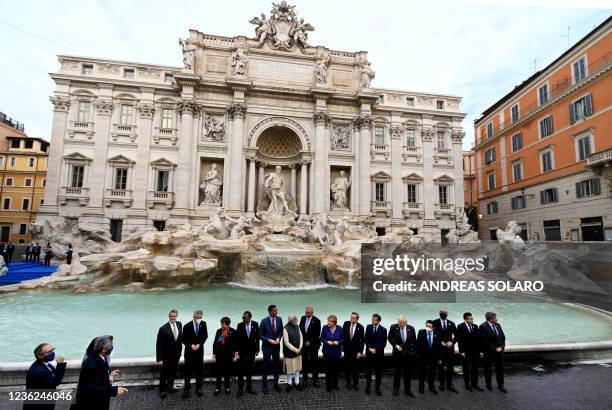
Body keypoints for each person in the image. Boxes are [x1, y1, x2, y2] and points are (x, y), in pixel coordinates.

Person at [74, 335, 127, 409]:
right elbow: (91, 389)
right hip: (91, 404)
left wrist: (110, 375)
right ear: (104, 349)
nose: (112, 348)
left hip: (100, 401)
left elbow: (99, 376)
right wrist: (115, 390)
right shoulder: (91, 365)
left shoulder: (101, 357)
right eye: (111, 346)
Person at [24, 343, 67, 410]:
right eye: (49, 352)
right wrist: (60, 364)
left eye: (52, 350)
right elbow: (55, 382)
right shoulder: (39, 371)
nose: (52, 353)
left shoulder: (45, 364)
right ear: (40, 356)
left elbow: (54, 376)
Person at [388, 315, 417, 397]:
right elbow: (389, 338)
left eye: (402, 323)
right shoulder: (393, 327)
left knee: (408, 373)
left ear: (406, 323)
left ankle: (407, 390)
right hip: (398, 354)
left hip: (408, 355)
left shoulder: (411, 328)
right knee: (397, 372)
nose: (400, 325)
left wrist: (413, 352)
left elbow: (414, 341)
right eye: (399, 322)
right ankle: (396, 389)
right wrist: (395, 345)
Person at [156, 309, 182, 399]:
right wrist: (159, 359)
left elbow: (179, 339)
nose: (173, 317)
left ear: (176, 316)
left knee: (173, 372)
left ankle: (170, 387)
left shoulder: (179, 324)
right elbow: (158, 345)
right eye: (171, 316)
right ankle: (162, 391)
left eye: (174, 316)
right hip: (166, 357)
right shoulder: (163, 328)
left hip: (176, 355)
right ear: (169, 317)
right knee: (164, 374)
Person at [181, 310, 208, 398]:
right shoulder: (187, 326)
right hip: (189, 352)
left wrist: (200, 344)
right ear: (194, 317)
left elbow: (205, 336)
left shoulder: (203, 324)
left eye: (201, 318)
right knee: (187, 371)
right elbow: (183, 339)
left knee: (199, 371)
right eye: (198, 318)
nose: (199, 319)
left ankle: (199, 388)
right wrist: (190, 345)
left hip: (199, 352)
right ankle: (186, 389)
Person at [480, 311, 506, 393]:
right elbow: (484, 341)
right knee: (488, 369)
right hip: (489, 352)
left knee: (500, 369)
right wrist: (494, 348)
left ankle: (501, 385)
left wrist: (502, 347)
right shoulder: (483, 327)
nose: (496, 319)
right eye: (495, 318)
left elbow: (503, 337)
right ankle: (489, 384)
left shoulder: (498, 325)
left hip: (499, 351)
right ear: (490, 319)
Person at [456, 312, 483, 391]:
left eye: (472, 319)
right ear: (465, 319)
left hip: (475, 351)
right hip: (466, 352)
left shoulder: (475, 326)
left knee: (475, 368)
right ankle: (467, 384)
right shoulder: (460, 326)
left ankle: (475, 384)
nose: (472, 320)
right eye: (470, 319)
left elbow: (478, 340)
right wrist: (461, 351)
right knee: (466, 368)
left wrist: (480, 351)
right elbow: (459, 339)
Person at [433, 309, 458, 393]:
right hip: (439, 349)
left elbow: (457, 335)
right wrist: (440, 342)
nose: (443, 314)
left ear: (447, 314)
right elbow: (431, 334)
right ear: (439, 313)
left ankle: (450, 384)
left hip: (450, 348)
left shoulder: (452, 323)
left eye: (444, 313)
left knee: (450, 367)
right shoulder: (434, 322)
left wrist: (452, 342)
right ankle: (442, 383)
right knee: (440, 367)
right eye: (441, 312)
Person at [212, 317, 239, 395]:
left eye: (223, 324)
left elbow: (235, 344)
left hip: (228, 355)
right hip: (219, 355)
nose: (222, 326)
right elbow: (215, 343)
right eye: (221, 324)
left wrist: (235, 354)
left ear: (228, 324)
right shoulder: (219, 331)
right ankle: (218, 388)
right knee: (218, 373)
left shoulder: (233, 332)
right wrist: (214, 353)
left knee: (227, 372)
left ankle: (227, 387)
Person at [260, 304, 283, 394]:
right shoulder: (264, 321)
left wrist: (278, 338)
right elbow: (260, 335)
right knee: (265, 366)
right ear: (270, 312)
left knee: (276, 366)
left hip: (276, 347)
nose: (276, 312)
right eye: (274, 311)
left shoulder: (279, 319)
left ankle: (276, 383)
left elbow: (281, 331)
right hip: (267, 347)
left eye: (276, 310)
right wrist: (268, 340)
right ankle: (264, 385)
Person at [236, 311, 259, 397]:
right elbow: (237, 339)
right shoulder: (240, 325)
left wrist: (257, 349)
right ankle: (240, 388)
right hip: (242, 352)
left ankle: (249, 387)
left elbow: (257, 338)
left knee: (250, 370)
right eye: (242, 317)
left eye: (244, 318)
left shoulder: (255, 324)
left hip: (252, 352)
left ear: (249, 318)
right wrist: (237, 351)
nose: (243, 319)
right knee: (240, 371)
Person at [364, 313, 387, 396]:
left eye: (374, 320)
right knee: (368, 371)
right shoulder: (368, 327)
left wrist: (375, 349)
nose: (372, 321)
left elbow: (383, 343)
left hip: (378, 355)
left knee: (378, 372)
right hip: (369, 353)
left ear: (379, 321)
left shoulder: (383, 330)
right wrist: (369, 347)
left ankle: (377, 388)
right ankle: (368, 387)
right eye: (372, 319)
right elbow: (366, 338)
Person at [416, 320, 441, 395]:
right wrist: (418, 355)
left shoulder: (437, 334)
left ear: (433, 328)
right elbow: (418, 345)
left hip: (433, 357)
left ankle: (431, 386)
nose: (428, 328)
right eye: (427, 326)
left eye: (430, 327)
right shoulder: (421, 332)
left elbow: (439, 347)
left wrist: (439, 358)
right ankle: (421, 386)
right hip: (423, 356)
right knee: (422, 372)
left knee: (432, 372)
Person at [299, 305, 321, 388]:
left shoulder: (317, 321)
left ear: (312, 313)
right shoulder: (302, 318)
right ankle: (305, 379)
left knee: (314, 363)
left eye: (308, 313)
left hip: (313, 345)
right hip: (304, 345)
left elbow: (317, 334)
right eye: (306, 313)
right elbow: (301, 331)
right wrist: (303, 342)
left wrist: (310, 342)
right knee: (304, 362)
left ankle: (315, 380)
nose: (307, 314)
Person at [320, 314, 343, 392]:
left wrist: (338, 342)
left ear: (334, 322)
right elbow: (321, 338)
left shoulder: (339, 328)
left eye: (329, 321)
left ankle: (335, 384)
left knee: (336, 370)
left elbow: (343, 339)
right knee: (328, 370)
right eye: (328, 321)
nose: (328, 323)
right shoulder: (324, 328)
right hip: (327, 352)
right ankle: (328, 385)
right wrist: (327, 342)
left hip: (336, 352)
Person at [342, 312, 364, 391]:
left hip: (356, 352)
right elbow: (343, 336)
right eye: (351, 317)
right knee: (347, 368)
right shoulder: (346, 324)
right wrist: (342, 348)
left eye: (354, 318)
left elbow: (362, 341)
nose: (351, 319)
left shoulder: (360, 327)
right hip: (347, 350)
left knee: (355, 369)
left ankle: (355, 383)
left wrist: (360, 352)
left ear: (357, 319)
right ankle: (348, 383)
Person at [282, 314, 303, 392]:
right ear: (290, 321)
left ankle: (297, 383)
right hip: (289, 353)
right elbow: (286, 343)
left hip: (298, 351)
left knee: (297, 368)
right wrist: (296, 350)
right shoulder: (285, 328)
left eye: (296, 319)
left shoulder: (297, 325)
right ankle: (289, 383)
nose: (296, 320)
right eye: (295, 319)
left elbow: (301, 336)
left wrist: (300, 347)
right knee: (289, 369)